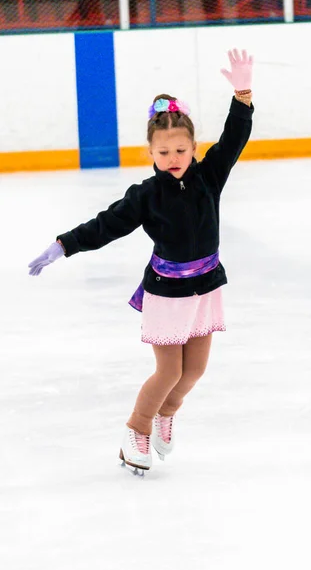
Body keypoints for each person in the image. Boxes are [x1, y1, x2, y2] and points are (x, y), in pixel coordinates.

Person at [28, 49, 254, 475]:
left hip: (206, 285)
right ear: (150, 151)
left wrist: (242, 95)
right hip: (167, 293)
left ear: (193, 148)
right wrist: (64, 244)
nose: (173, 158)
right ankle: (136, 430)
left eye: (181, 150)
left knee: (196, 370)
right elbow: (106, 224)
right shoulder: (145, 196)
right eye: (164, 151)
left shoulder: (209, 176)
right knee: (168, 371)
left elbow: (234, 139)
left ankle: (167, 414)